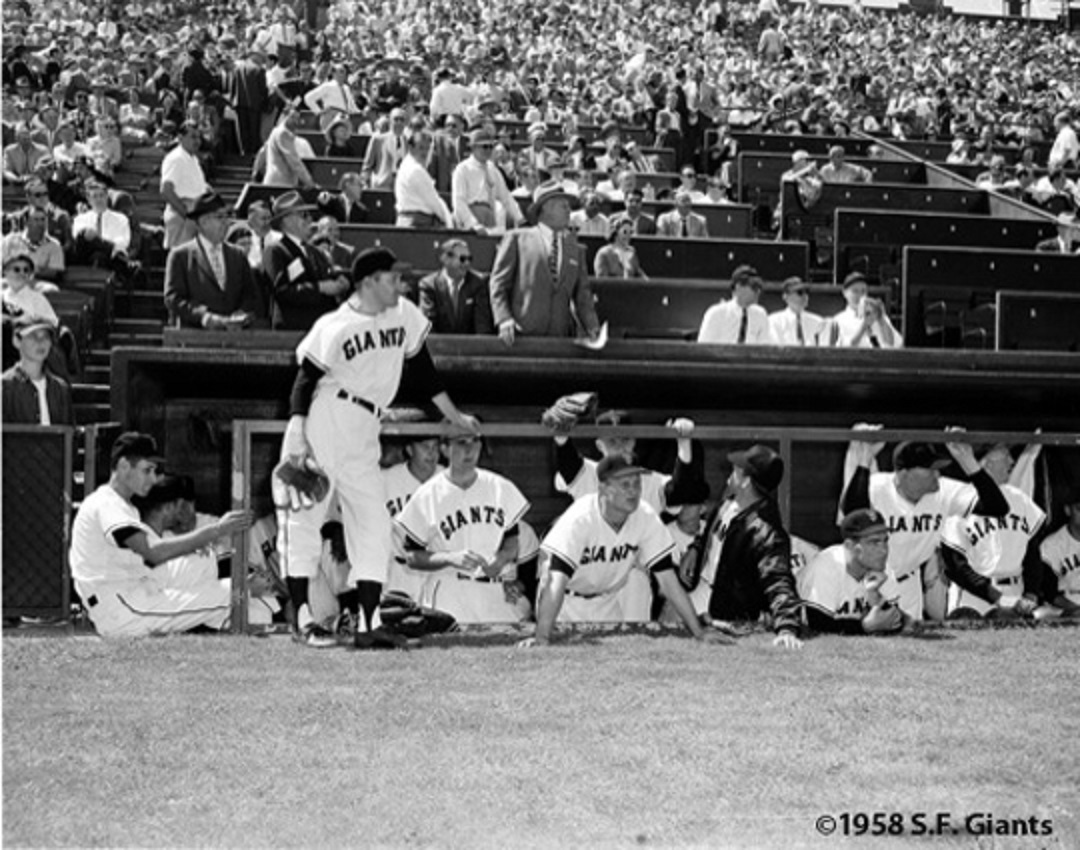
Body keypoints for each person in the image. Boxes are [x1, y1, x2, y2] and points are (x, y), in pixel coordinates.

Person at [277, 246, 480, 648]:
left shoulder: (402, 313)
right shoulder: (334, 325)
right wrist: (299, 437)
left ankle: (370, 625)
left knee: (372, 522)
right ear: (368, 282)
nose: (399, 284)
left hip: (366, 424)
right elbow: (304, 381)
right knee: (305, 519)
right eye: (391, 278)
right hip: (325, 419)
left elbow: (422, 367)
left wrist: (454, 416)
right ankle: (302, 622)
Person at [520, 455, 731, 646]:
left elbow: (668, 580)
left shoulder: (644, 516)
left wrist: (699, 632)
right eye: (625, 484)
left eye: (637, 483)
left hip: (606, 602)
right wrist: (542, 637)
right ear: (603, 488)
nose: (634, 491)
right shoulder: (580, 519)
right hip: (564, 605)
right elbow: (556, 581)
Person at [69, 432, 260, 638]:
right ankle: (228, 620)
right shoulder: (106, 503)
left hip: (136, 588)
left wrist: (190, 547)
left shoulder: (122, 504)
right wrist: (216, 531)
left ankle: (220, 620)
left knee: (203, 563)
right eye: (147, 470)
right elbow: (152, 553)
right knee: (231, 592)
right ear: (124, 466)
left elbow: (147, 558)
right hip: (121, 608)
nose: (153, 478)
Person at [839, 428, 1010, 621]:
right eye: (929, 468)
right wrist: (864, 460)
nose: (937, 474)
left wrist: (969, 463)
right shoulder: (878, 487)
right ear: (903, 473)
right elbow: (851, 514)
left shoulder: (944, 491)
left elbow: (997, 507)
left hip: (909, 583)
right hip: (872, 581)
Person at [395, 425, 531, 624]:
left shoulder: (500, 487)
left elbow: (512, 540)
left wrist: (501, 559)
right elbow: (411, 556)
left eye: (475, 441)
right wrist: (450, 558)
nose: (470, 449)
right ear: (444, 448)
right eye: (461, 442)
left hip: (492, 592)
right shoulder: (428, 494)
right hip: (449, 592)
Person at [680, 445, 803, 649]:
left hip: (724, 612)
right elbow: (710, 535)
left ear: (746, 481)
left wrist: (787, 627)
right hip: (700, 590)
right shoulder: (728, 503)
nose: (731, 471)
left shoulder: (768, 532)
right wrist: (696, 548)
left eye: (737, 469)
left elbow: (779, 581)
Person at [940, 443, 1045, 619]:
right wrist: (994, 596)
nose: (1011, 461)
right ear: (986, 463)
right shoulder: (961, 500)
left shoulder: (1020, 499)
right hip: (972, 595)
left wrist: (1031, 592)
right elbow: (955, 566)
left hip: (1014, 590)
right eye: (1005, 456)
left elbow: (1033, 552)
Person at [489, 180, 600, 346]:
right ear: (546, 207)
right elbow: (498, 283)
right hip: (520, 337)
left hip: (560, 338)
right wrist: (504, 319)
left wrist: (592, 326)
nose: (569, 210)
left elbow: (582, 294)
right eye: (563, 205)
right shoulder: (517, 239)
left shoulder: (576, 249)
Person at [798, 508, 914, 635]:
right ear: (849, 546)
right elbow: (816, 625)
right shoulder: (826, 567)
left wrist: (874, 596)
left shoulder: (880, 564)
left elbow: (895, 620)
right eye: (874, 542)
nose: (883, 550)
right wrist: (864, 627)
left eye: (885, 541)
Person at [164, 191, 264, 330]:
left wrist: (241, 313)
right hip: (194, 338)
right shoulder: (180, 256)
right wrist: (204, 316)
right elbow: (173, 298)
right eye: (220, 217)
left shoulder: (238, 255)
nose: (226, 222)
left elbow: (250, 295)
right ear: (203, 222)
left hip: (234, 337)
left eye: (227, 216)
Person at [263, 191, 350, 331]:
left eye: (310, 215)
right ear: (287, 221)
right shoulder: (276, 251)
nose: (310, 220)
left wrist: (340, 281)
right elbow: (282, 291)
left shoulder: (314, 251)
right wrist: (319, 287)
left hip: (318, 328)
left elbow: (326, 275)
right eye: (304, 215)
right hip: (293, 329)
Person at [1, 315, 73, 425]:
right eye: (32, 336)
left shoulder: (60, 388)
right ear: (17, 341)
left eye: (45, 336)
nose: (40, 342)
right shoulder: (4, 386)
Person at [452, 129, 523, 234]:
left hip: (490, 219)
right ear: (473, 148)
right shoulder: (462, 169)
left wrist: (520, 218)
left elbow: (506, 197)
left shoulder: (492, 169)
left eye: (491, 146)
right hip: (470, 222)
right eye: (484, 146)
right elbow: (459, 201)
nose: (488, 150)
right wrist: (473, 224)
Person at [418, 238, 495, 335]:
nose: (467, 263)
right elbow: (428, 326)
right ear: (445, 259)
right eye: (462, 259)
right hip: (439, 346)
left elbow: (482, 326)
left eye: (469, 259)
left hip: (470, 346)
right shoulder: (429, 285)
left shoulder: (478, 284)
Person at [160, 119, 209, 250]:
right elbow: (166, 190)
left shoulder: (193, 159)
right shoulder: (176, 158)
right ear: (180, 138)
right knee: (180, 262)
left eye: (199, 137)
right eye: (193, 137)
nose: (197, 141)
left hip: (196, 214)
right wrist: (186, 214)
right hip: (182, 216)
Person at [697, 264, 774, 345]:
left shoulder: (761, 315)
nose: (758, 292)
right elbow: (703, 347)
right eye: (754, 287)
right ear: (738, 287)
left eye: (759, 288)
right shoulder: (716, 313)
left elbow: (765, 346)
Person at [394, 129, 454, 229]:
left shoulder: (407, 165)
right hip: (418, 223)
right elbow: (434, 203)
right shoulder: (415, 170)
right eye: (421, 148)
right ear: (411, 148)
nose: (425, 152)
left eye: (427, 148)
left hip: (408, 222)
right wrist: (449, 223)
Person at [827, 272, 902, 349]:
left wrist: (881, 319)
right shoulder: (838, 320)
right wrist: (864, 326)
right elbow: (844, 348)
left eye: (863, 291)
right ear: (844, 293)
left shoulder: (877, 316)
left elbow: (894, 344)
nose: (860, 295)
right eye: (855, 291)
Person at [1038, 486, 1080, 619]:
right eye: (1079, 509)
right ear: (1068, 510)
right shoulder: (1051, 545)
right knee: (1039, 614)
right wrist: (1075, 610)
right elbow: (1048, 592)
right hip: (1065, 606)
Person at [1, 206, 65, 285]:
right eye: (36, 220)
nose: (40, 224)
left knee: (51, 289)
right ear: (27, 222)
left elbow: (54, 272)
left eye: (43, 220)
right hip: (10, 282)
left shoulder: (54, 245)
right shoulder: (9, 240)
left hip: (38, 284)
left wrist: (26, 272)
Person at [261, 105, 315, 189]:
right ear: (284, 116)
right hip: (280, 183)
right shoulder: (283, 133)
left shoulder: (275, 132)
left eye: (297, 118)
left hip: (274, 182)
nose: (295, 121)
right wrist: (310, 182)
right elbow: (294, 162)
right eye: (292, 117)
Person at [768, 277, 825, 346]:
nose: (805, 296)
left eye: (806, 292)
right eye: (800, 292)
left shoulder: (818, 322)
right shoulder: (774, 321)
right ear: (785, 296)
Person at [361, 107, 408, 190]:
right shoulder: (378, 140)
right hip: (382, 184)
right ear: (390, 121)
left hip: (403, 186)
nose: (399, 123)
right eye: (396, 119)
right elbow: (368, 166)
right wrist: (363, 183)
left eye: (402, 120)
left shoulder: (409, 142)